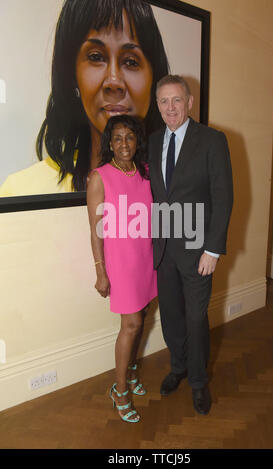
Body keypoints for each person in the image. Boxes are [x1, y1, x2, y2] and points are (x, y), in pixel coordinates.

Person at [0, 0, 169, 197]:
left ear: (154, 79)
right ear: (72, 75)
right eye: (96, 57)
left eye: (131, 61)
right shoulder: (22, 192)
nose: (113, 81)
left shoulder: (180, 187)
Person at [148, 75, 233, 415]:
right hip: (163, 250)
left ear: (190, 102)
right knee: (171, 317)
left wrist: (213, 249)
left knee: (196, 319)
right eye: (164, 101)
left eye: (177, 100)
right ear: (157, 105)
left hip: (199, 251)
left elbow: (223, 197)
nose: (171, 108)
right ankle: (178, 368)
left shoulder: (212, 140)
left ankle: (198, 382)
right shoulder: (153, 141)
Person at [87, 114, 157, 423]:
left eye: (129, 137)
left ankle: (129, 374)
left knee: (141, 321)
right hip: (121, 263)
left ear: (136, 141)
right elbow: (95, 229)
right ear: (110, 144)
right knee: (130, 325)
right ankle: (119, 390)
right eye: (117, 138)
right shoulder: (99, 176)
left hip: (146, 258)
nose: (124, 143)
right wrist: (101, 271)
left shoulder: (144, 172)